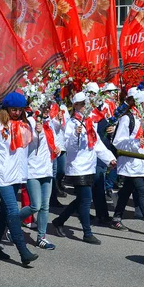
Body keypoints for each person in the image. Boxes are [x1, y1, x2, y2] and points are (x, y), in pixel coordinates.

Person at [0, 92, 38, 265]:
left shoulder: (24, 125)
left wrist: (38, 129)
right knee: (12, 210)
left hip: (17, 175)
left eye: (19, 110)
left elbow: (31, 148)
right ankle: (23, 251)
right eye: (13, 109)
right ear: (6, 108)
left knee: (3, 212)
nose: (16, 112)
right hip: (1, 174)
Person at [52, 92, 117, 245]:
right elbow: (67, 146)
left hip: (90, 166)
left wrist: (109, 159)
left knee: (81, 199)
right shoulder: (71, 124)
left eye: (85, 103)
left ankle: (59, 221)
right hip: (77, 167)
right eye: (81, 104)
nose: (84, 106)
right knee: (86, 200)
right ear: (75, 105)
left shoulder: (90, 122)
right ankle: (87, 232)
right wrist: (75, 134)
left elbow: (97, 144)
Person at [18, 103, 60, 250]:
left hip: (46, 169)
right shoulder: (29, 121)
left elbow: (55, 142)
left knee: (45, 206)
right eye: (45, 106)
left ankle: (41, 237)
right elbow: (25, 141)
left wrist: (57, 149)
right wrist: (37, 132)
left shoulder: (50, 123)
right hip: (33, 169)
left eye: (49, 106)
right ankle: (13, 222)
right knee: (35, 205)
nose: (47, 109)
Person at [110, 90, 144, 231]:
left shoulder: (143, 118)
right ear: (139, 103)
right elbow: (118, 141)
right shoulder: (127, 118)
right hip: (130, 163)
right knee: (142, 192)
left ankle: (116, 218)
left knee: (127, 190)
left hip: (140, 162)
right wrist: (135, 142)